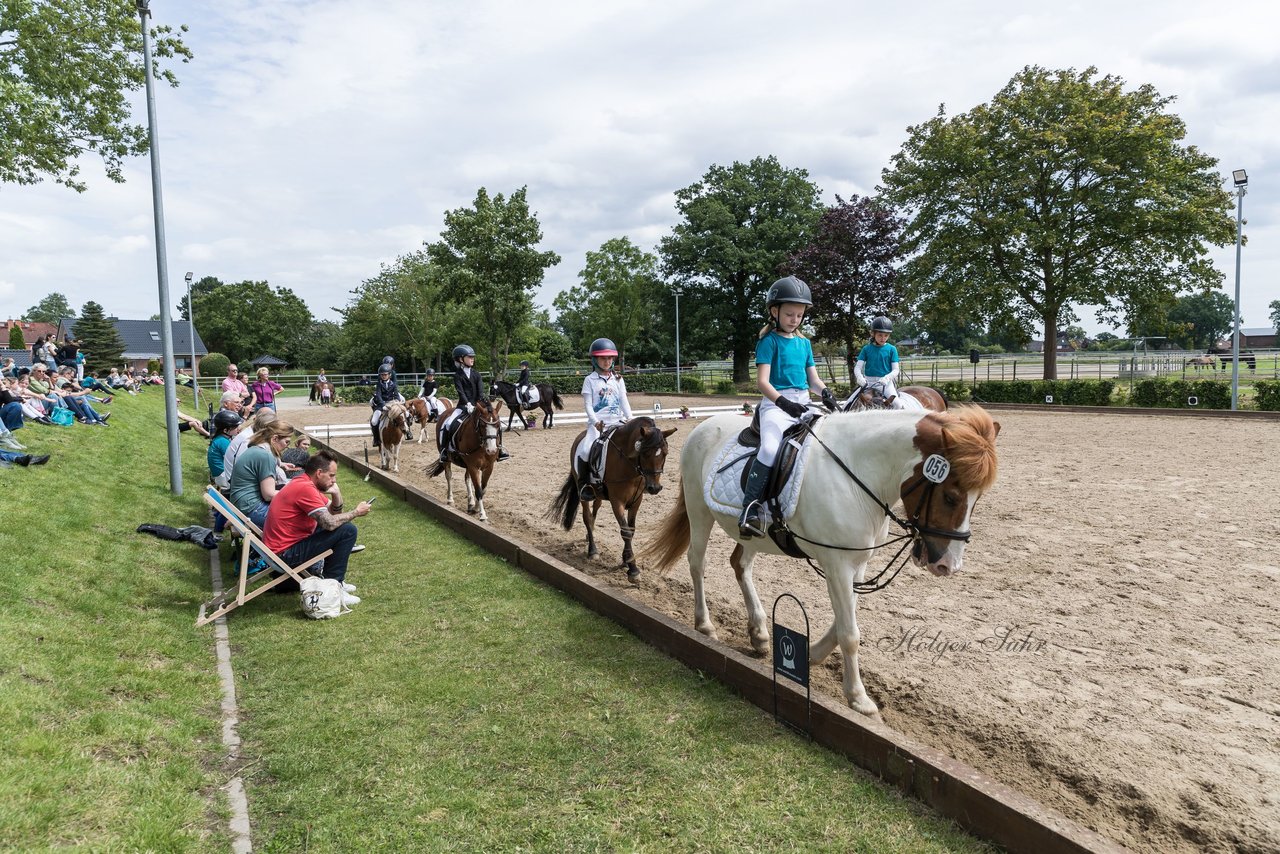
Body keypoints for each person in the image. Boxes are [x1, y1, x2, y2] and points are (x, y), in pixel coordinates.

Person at [738, 276, 837, 538]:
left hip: (804, 402)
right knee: (770, 449)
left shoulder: (804, 343)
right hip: (775, 405)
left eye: (800, 315)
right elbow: (762, 382)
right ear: (775, 311)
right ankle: (750, 508)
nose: (795, 319)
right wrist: (783, 403)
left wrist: (825, 392)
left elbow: (813, 380)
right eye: (790, 314)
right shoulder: (768, 342)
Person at [262, 450, 370, 605]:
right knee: (348, 531)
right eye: (331, 475)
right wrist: (356, 512)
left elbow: (332, 513)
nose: (334, 480)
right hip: (284, 555)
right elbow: (330, 522)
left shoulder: (303, 482)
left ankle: (334, 582)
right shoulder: (305, 488)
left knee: (342, 527)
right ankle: (335, 586)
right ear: (319, 473)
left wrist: (336, 495)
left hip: (279, 549)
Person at [575, 338, 632, 502]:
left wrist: (630, 418)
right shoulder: (589, 380)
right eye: (603, 358)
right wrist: (595, 422)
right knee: (585, 450)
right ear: (595, 359)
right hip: (598, 425)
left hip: (618, 422)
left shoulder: (618, 379)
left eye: (609, 358)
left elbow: (623, 401)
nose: (607, 362)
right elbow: (588, 405)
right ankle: (584, 485)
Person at [437, 344, 509, 463]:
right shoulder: (458, 375)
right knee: (448, 424)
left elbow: (480, 392)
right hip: (462, 406)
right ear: (461, 359)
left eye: (473, 357)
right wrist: (467, 404)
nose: (472, 359)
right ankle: (445, 451)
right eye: (469, 357)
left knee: (495, 422)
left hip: (478, 405)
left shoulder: (476, 374)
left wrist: (483, 404)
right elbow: (461, 392)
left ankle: (500, 449)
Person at [228, 420, 293, 528]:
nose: (287, 446)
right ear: (275, 439)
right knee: (302, 521)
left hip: (242, 505)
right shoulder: (265, 455)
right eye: (287, 442)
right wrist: (296, 494)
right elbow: (269, 495)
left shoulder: (256, 449)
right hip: (252, 509)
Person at [853, 316, 902, 409]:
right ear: (873, 334)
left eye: (886, 335)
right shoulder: (866, 349)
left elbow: (896, 370)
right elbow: (858, 367)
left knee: (898, 405)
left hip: (885, 384)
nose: (883, 338)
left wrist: (887, 378)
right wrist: (859, 377)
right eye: (880, 335)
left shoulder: (892, 349)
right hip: (868, 383)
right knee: (850, 402)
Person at [369, 364, 405, 448]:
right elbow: (378, 395)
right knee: (374, 421)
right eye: (382, 375)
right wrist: (383, 405)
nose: (384, 376)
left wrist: (395, 404)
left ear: (389, 375)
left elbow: (396, 396)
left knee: (404, 415)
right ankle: (376, 439)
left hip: (391, 404)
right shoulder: (379, 384)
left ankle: (407, 431)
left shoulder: (393, 384)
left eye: (385, 374)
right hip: (381, 405)